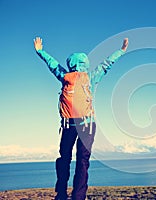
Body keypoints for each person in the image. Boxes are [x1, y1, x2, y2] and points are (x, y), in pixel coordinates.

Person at [34, 37, 129, 200]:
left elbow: (52, 64)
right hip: (88, 125)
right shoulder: (90, 78)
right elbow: (107, 64)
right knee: (82, 161)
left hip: (68, 124)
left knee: (64, 158)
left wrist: (40, 51)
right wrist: (121, 50)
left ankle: (61, 193)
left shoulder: (65, 76)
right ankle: (79, 196)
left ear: (70, 64)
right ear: (85, 64)